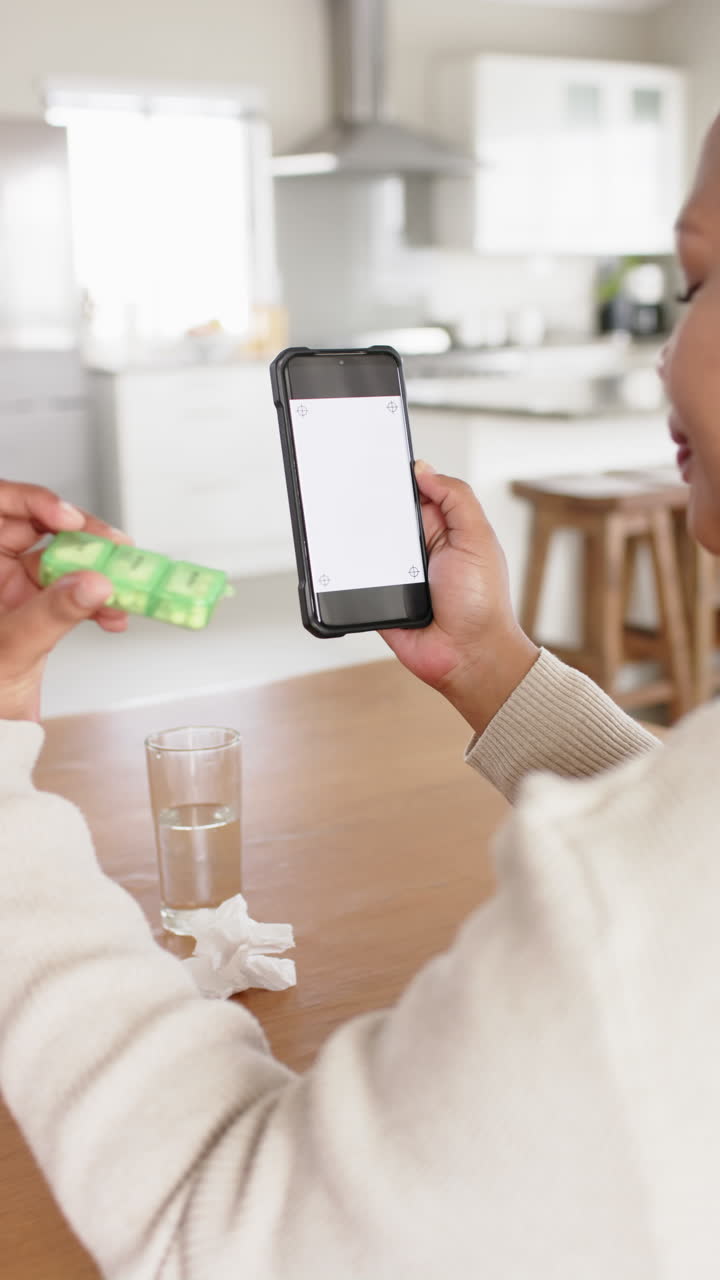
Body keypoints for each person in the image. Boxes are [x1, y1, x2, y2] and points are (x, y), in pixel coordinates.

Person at [1, 119, 720, 1280]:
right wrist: (490, 665)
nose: (665, 348)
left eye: (699, 280)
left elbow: (217, 1225)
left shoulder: (636, 917)